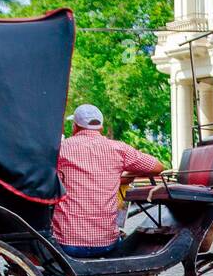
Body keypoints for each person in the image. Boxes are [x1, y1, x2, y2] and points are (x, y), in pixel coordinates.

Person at [53, 104, 164, 258]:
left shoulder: (60, 149)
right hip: (106, 243)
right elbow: (157, 167)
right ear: (101, 127)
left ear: (75, 126)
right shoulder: (118, 149)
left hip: (67, 243)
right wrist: (125, 175)